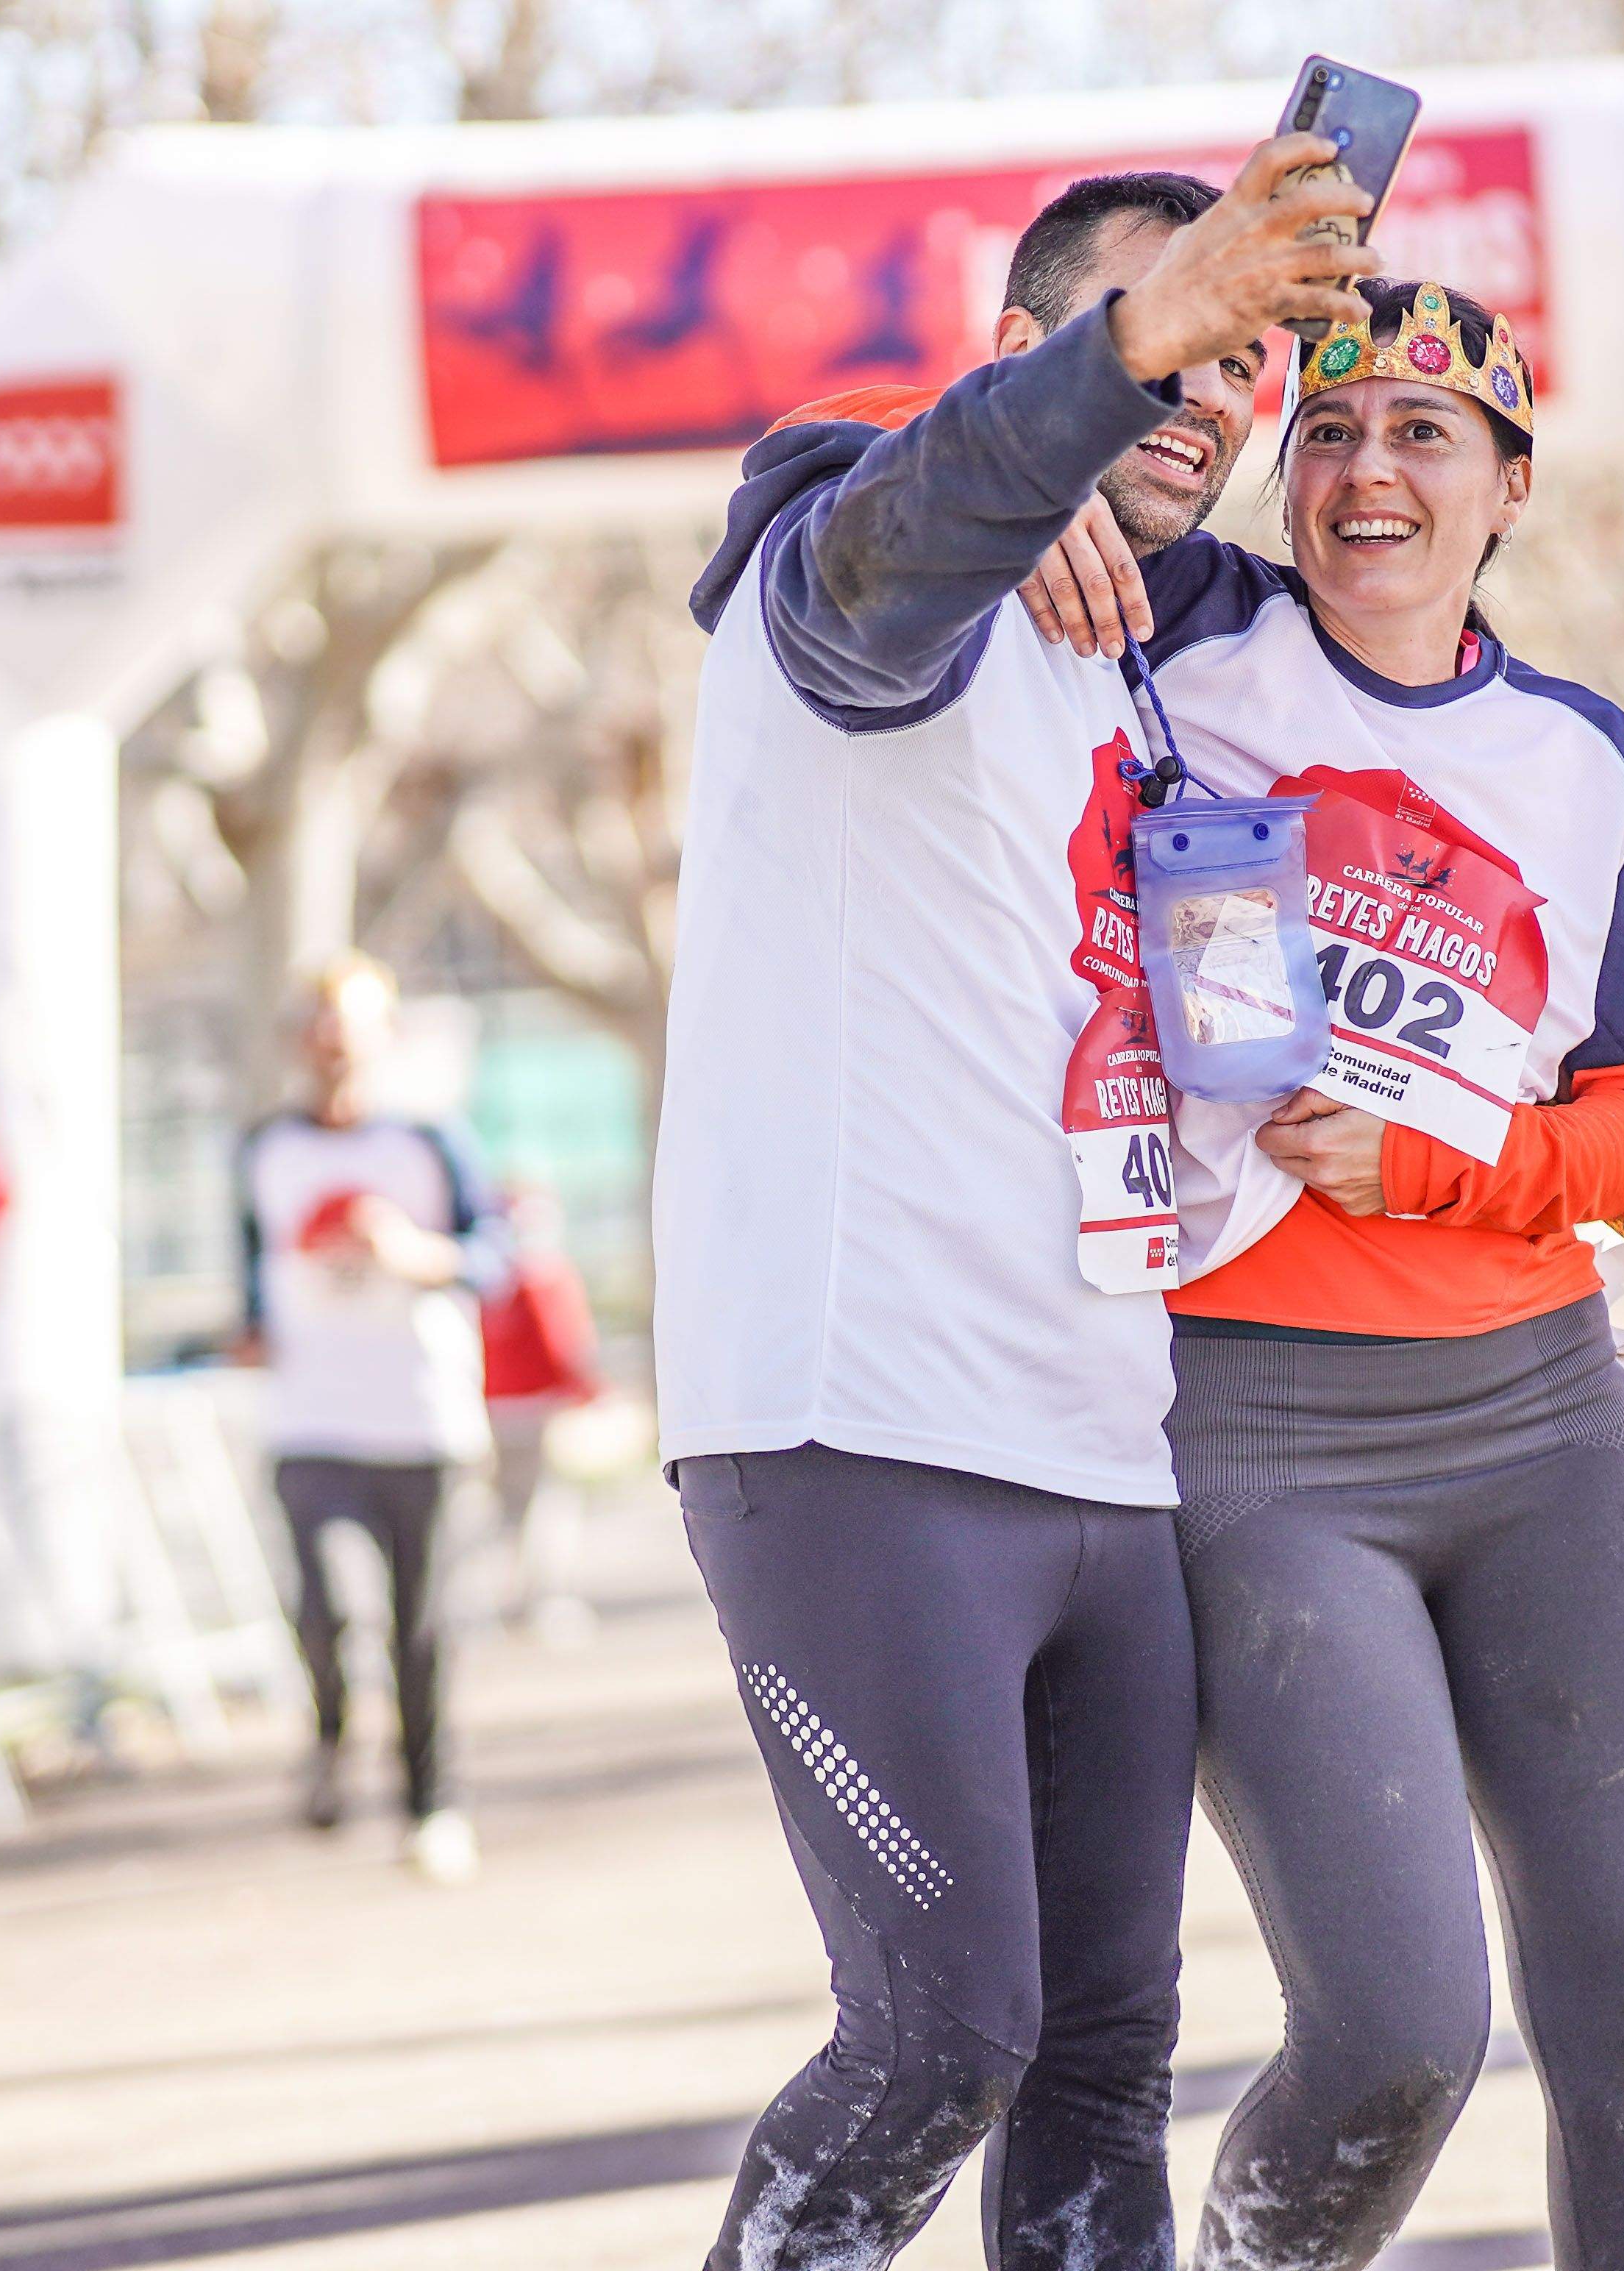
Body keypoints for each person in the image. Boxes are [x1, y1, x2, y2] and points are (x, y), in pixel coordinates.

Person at [657, 130, 1373, 2271]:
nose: (1212, 392)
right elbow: (875, 527)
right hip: (854, 1429)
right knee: (930, 2041)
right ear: (1016, 358)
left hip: (1099, 1445)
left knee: (1099, 2056)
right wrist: (1127, 350)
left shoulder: (1130, 669)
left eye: (1243, 361)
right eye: (1170, 339)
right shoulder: (875, 571)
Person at [1026, 279, 1624, 2270]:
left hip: (1547, 1435)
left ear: (1509, 487)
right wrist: (1041, 493)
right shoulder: (1188, 637)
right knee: (1402, 2036)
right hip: (1261, 1442)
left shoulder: (1582, 760)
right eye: (1331, 429)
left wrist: (1458, 1162)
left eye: (1429, 434)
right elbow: (882, 479)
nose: (1367, 470)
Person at [236, 950, 505, 1880]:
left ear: (384, 1038)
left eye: (349, 1029)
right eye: (316, 1028)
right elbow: (255, 1271)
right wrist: (249, 1332)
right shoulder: (266, 1148)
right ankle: (328, 1738)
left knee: (418, 1625)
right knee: (321, 1605)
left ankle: (432, 1803)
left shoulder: (431, 1142)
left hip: (420, 1419)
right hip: (309, 1416)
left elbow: (496, 1258)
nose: (332, 1048)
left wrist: (414, 1253)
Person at [477, 1180, 602, 1641]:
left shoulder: (488, 1276)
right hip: (541, 1408)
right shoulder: (544, 1273)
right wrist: (590, 1389)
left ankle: (500, 1601)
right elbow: (565, 1343)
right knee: (547, 1507)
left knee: (503, 1510)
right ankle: (541, 1602)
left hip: (494, 1407)